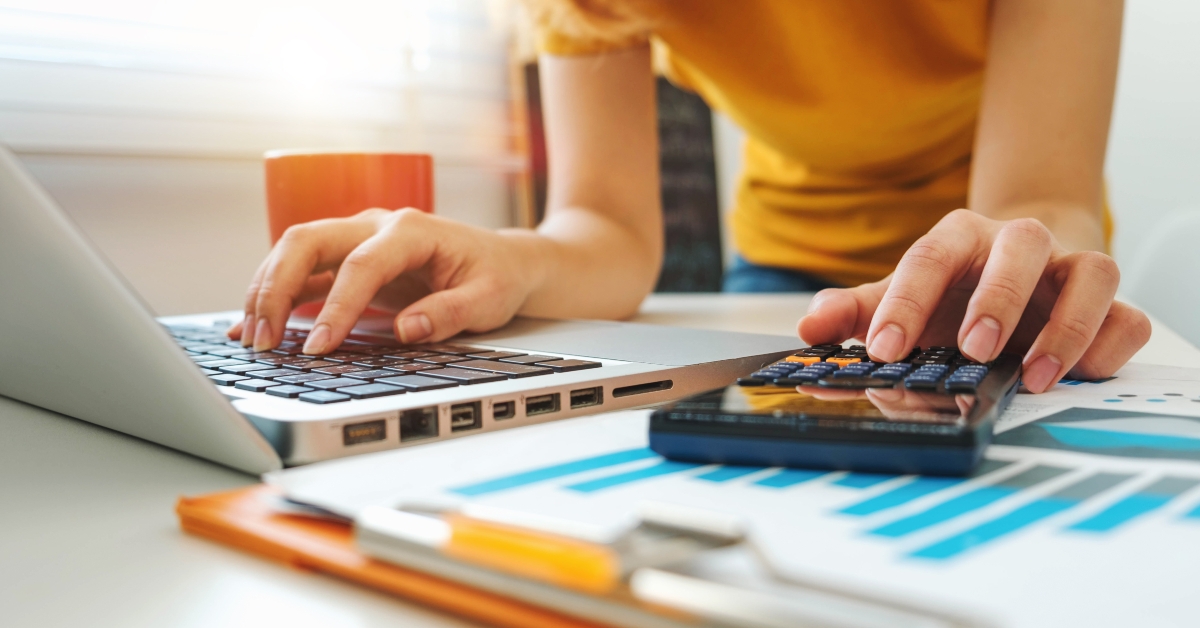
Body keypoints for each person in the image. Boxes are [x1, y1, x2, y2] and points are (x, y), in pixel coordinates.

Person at [229, 0, 1150, 393]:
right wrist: (513, 257)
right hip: (781, 264)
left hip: (1001, 268)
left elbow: (1041, 194)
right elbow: (607, 225)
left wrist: (1031, 265)